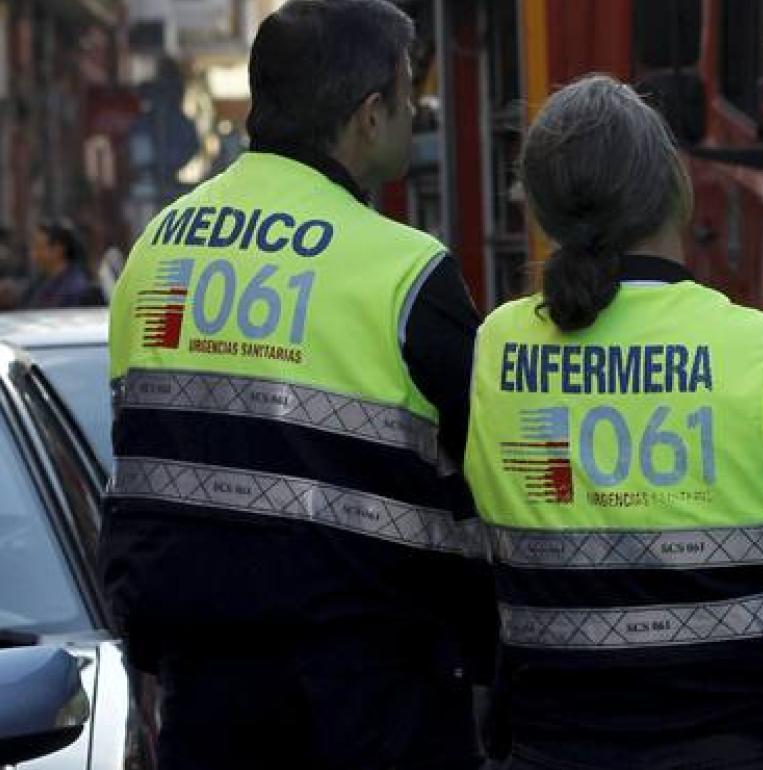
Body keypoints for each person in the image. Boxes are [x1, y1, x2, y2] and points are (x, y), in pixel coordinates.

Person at [102, 2, 488, 768]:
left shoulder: (157, 248)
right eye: (408, 97)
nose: (416, 113)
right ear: (369, 115)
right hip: (373, 694)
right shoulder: (406, 272)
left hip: (201, 690)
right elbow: (493, 470)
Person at [463, 74, 763, 770]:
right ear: (678, 185)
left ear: (540, 209)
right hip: (750, 745)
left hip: (552, 745)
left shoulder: (493, 349)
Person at [21, 219, 106, 308]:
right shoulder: (41, 282)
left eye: (39, 247)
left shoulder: (75, 290)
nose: (34, 254)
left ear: (58, 249)